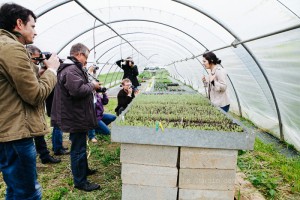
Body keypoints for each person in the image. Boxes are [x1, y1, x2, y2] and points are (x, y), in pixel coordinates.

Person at [0, 3, 60, 199]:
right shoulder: (12, 49)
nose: (35, 31)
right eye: (32, 26)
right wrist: (51, 70)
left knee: (15, 189)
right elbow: (34, 95)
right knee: (28, 193)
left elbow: (13, 87)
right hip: (16, 133)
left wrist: (39, 73)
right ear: (19, 23)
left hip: (8, 132)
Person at [51, 43, 101, 192]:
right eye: (86, 57)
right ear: (79, 54)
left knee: (80, 146)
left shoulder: (73, 69)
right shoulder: (71, 69)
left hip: (77, 114)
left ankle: (84, 170)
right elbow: (77, 90)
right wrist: (93, 86)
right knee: (78, 149)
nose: (86, 61)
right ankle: (80, 181)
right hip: (75, 116)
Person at [26, 44, 62, 164]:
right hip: (31, 107)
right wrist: (49, 68)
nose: (38, 62)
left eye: (39, 59)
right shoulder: (27, 68)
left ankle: (44, 154)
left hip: (37, 107)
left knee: (39, 133)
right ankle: (43, 155)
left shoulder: (34, 67)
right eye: (36, 59)